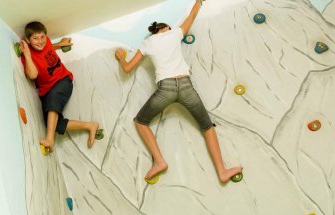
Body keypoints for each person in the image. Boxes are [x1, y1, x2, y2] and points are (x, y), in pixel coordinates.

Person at [115, 0, 243, 183]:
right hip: (185, 86)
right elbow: (190, 17)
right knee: (207, 127)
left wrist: (121, 57)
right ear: (166, 28)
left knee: (140, 122)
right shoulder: (174, 33)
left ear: (155, 31)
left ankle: (158, 161)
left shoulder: (147, 43)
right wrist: (198, 2)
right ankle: (222, 171)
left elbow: (127, 68)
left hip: (165, 89)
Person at [19, 21, 99, 152]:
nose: (40, 41)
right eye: (35, 38)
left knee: (54, 97)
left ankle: (50, 140)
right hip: (46, 91)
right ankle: (90, 125)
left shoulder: (47, 41)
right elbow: (32, 75)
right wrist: (27, 54)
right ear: (28, 40)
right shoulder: (27, 55)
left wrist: (60, 44)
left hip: (63, 80)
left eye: (42, 37)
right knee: (53, 125)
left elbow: (48, 46)